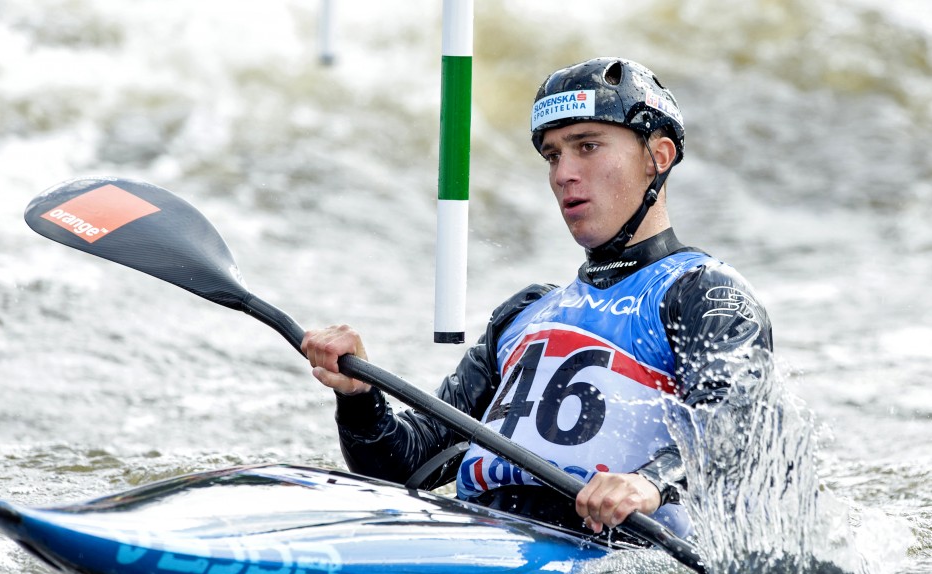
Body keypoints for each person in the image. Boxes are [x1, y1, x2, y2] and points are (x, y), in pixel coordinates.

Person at [301, 57, 772, 541]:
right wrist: (357, 397)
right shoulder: (525, 313)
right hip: (483, 534)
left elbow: (738, 422)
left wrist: (648, 483)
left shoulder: (702, 292)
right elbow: (401, 469)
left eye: (587, 146)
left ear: (658, 156)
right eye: (552, 156)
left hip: (612, 552)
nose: (564, 173)